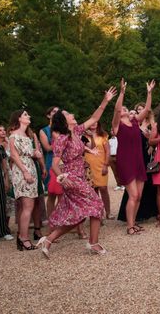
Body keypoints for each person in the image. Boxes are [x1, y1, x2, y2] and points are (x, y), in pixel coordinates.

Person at [36, 86, 117, 258]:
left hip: (80, 177)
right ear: (65, 121)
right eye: (68, 114)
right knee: (96, 206)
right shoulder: (62, 139)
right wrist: (62, 178)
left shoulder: (77, 131)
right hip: (72, 179)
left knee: (80, 215)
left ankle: (48, 240)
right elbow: (55, 164)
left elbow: (95, 117)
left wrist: (106, 100)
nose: (72, 114)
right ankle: (93, 244)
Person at [112, 80, 156, 235]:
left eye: (126, 108)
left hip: (138, 161)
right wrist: (122, 92)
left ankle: (133, 222)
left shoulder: (135, 122)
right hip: (126, 161)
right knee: (134, 194)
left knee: (139, 195)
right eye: (123, 108)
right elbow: (117, 110)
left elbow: (147, 109)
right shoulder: (117, 125)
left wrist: (149, 92)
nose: (124, 109)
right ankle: (129, 226)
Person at [8, 110, 39, 250]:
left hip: (31, 167)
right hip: (22, 170)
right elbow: (14, 156)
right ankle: (23, 238)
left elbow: (28, 153)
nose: (29, 116)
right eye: (26, 114)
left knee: (26, 206)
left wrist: (34, 153)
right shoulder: (13, 135)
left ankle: (22, 236)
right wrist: (25, 172)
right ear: (19, 118)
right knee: (27, 205)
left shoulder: (27, 135)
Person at [83, 121, 111, 219]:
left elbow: (108, 151)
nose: (93, 124)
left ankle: (108, 212)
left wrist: (106, 165)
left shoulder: (103, 135)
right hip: (89, 165)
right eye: (91, 122)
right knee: (93, 190)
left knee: (103, 188)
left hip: (101, 164)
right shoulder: (83, 136)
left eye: (95, 122)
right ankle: (98, 213)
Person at [39, 106, 59, 217]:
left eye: (58, 111)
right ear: (48, 115)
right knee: (52, 193)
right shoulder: (44, 131)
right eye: (54, 111)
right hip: (51, 161)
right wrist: (60, 142)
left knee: (65, 194)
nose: (56, 113)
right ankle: (52, 219)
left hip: (65, 162)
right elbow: (47, 148)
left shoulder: (64, 128)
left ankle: (62, 218)